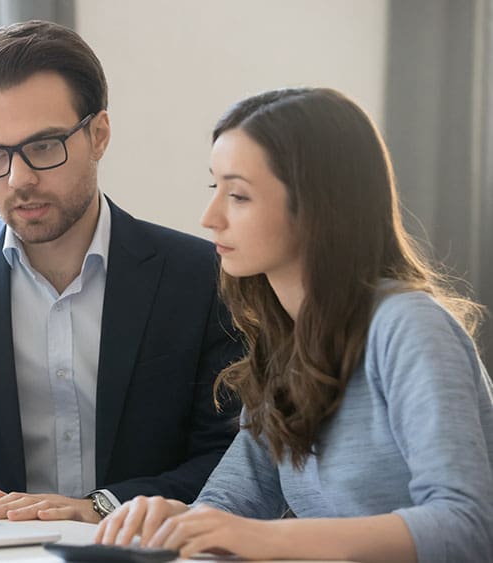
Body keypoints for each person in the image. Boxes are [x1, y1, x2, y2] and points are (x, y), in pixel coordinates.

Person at [0, 20, 243, 524]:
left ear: (99, 135)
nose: (20, 179)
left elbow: (232, 461)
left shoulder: (199, 277)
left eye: (43, 147)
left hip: (144, 552)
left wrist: (101, 507)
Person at [95, 87, 493, 561]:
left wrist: (266, 538)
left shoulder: (409, 327)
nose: (209, 217)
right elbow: (234, 503)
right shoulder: (284, 343)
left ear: (317, 208)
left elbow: (466, 525)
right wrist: (173, 520)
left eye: (238, 195)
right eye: (214, 188)